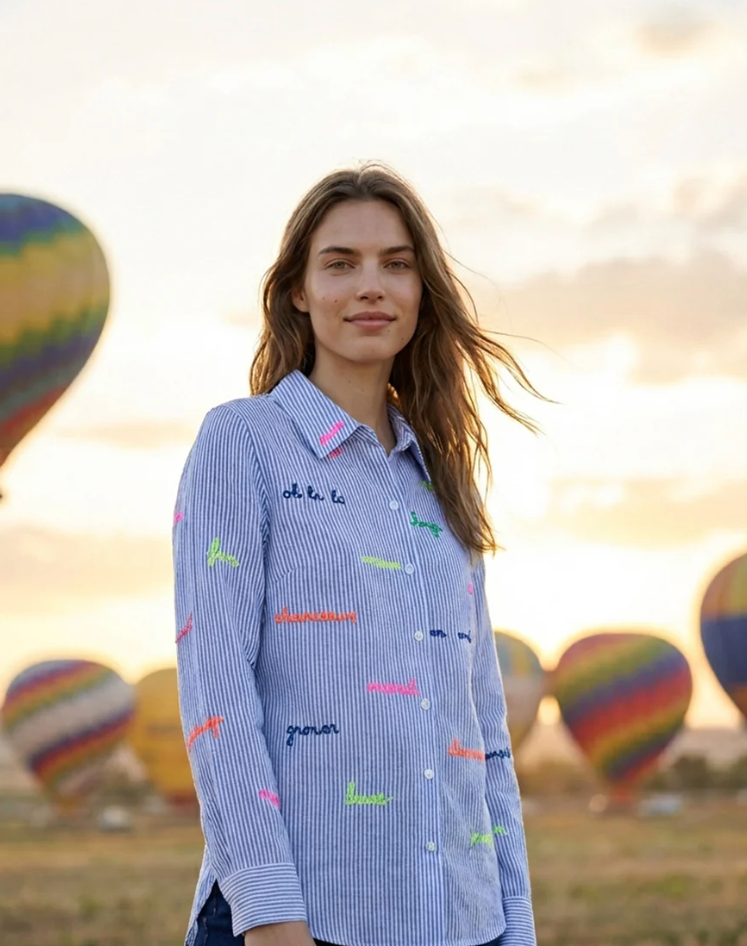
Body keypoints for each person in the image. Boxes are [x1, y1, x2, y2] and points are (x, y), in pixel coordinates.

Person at [173, 163, 544, 946]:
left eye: (396, 265)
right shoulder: (244, 443)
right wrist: (272, 915)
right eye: (341, 263)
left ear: (422, 292)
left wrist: (515, 922)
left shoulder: (441, 479)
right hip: (309, 920)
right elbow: (217, 694)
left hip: (461, 922)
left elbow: (483, 728)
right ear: (299, 292)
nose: (370, 285)